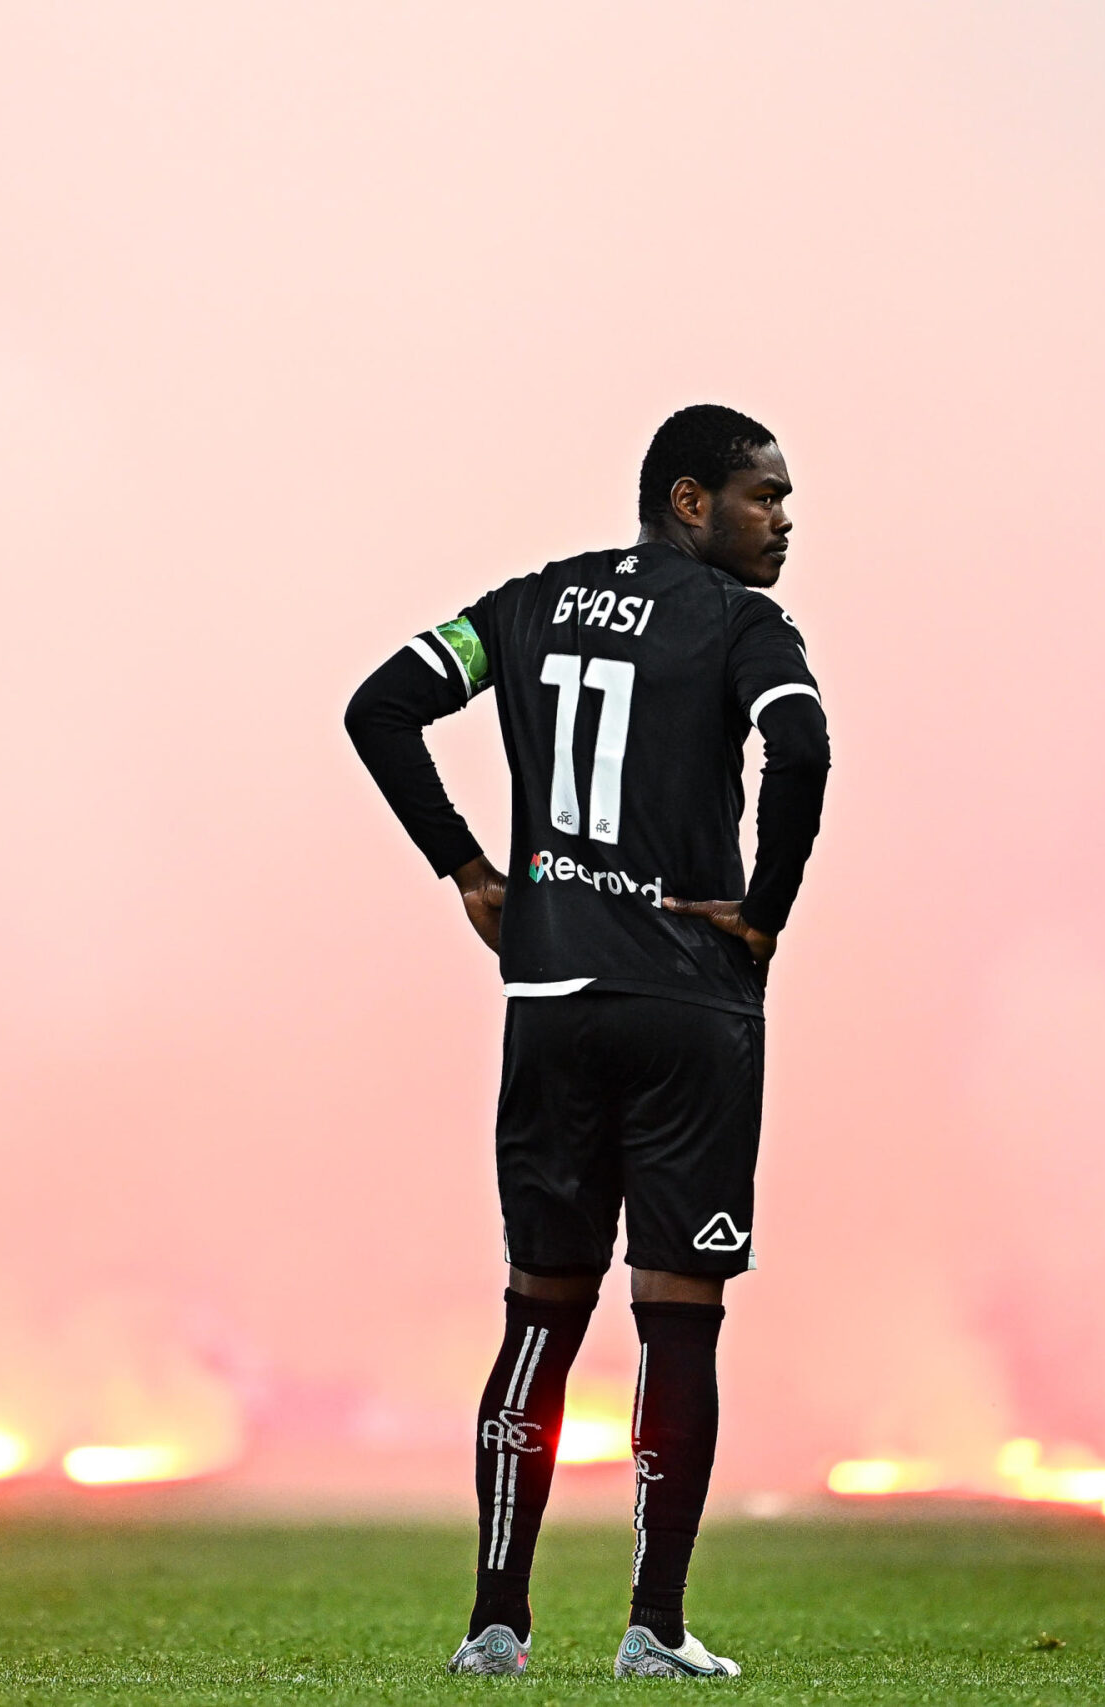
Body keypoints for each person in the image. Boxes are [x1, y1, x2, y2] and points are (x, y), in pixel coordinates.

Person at [344, 404, 831, 1680]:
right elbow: (799, 744)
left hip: (552, 1001)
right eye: (764, 496)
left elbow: (380, 707)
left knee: (539, 1314)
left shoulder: (527, 606)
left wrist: (468, 870)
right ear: (688, 500)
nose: (783, 522)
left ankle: (493, 1626)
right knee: (679, 1316)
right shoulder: (745, 626)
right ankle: (653, 1629)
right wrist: (764, 913)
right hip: (686, 1007)